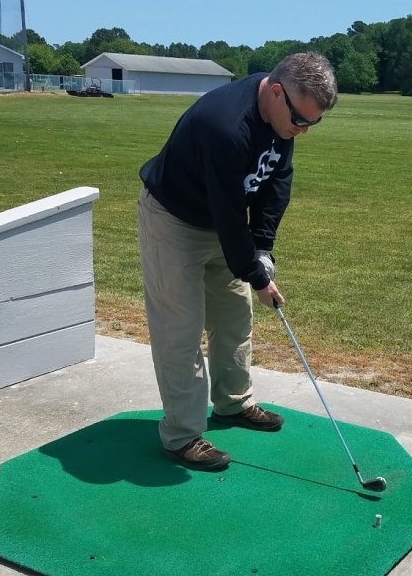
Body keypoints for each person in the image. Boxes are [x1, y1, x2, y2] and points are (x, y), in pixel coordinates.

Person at [137, 52, 338, 471]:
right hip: (174, 219)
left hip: (219, 221)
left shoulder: (282, 118)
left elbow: (277, 180)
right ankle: (182, 435)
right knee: (180, 329)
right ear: (277, 92)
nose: (302, 131)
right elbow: (229, 212)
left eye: (312, 123)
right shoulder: (226, 125)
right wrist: (255, 275)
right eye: (300, 120)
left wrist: (262, 249)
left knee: (233, 316)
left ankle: (232, 403)